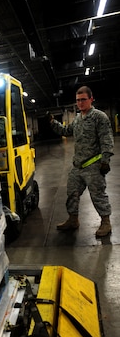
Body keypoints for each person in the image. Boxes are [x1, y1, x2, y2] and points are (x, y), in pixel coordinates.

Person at [47, 86, 114, 237]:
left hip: (94, 165)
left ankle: (106, 222)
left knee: (98, 195)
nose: (80, 103)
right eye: (78, 100)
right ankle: (73, 220)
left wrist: (105, 160)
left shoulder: (99, 117)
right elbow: (66, 131)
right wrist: (53, 123)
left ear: (91, 99)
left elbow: (106, 139)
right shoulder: (78, 119)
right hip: (78, 166)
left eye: (83, 99)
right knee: (72, 193)